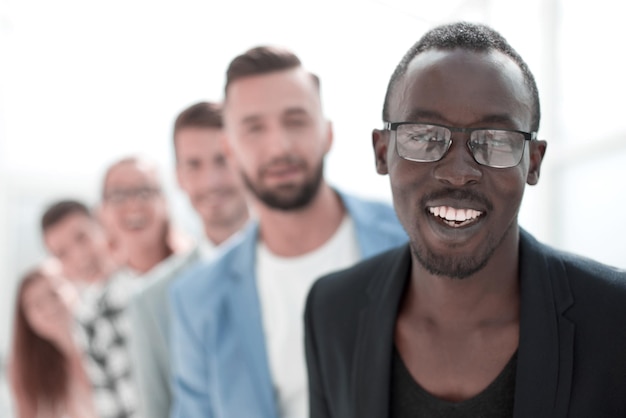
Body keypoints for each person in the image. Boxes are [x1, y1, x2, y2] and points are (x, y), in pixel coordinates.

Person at [304, 21, 626, 418]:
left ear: (534, 162)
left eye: (494, 140)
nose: (457, 172)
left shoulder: (616, 319)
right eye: (424, 136)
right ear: (382, 152)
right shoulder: (332, 312)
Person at [169, 46, 408, 418]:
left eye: (295, 121)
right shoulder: (198, 300)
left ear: (327, 133)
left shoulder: (410, 236)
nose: (279, 146)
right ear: (229, 150)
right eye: (254, 128)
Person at [127, 102, 249, 418]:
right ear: (179, 177)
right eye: (194, 165)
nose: (211, 181)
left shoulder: (290, 265)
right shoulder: (151, 300)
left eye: (222, 160)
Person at [8, 260, 97, 418]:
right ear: (26, 319)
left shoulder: (106, 339)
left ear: (74, 287)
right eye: (36, 304)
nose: (48, 308)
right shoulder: (30, 374)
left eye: (53, 294)